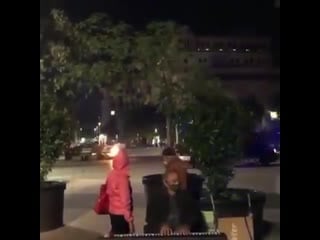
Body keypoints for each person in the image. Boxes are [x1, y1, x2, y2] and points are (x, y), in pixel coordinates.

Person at [145, 169, 207, 234]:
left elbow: (195, 215)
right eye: (174, 181)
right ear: (165, 182)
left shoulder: (186, 196)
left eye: (177, 181)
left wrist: (186, 226)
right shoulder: (156, 199)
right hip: (164, 234)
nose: (177, 183)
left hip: (182, 234)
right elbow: (150, 219)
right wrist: (161, 226)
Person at [104, 144, 134, 238]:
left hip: (112, 211)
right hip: (122, 214)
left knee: (116, 233)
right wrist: (129, 218)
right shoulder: (122, 178)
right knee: (123, 236)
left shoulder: (111, 174)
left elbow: (108, 191)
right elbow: (125, 200)